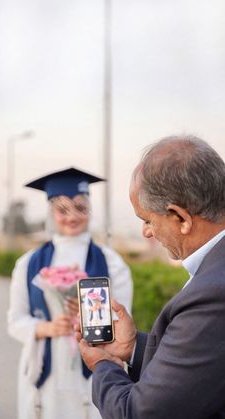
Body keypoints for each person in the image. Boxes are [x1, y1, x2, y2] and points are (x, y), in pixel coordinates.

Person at [76, 135, 225, 419]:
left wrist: (103, 365)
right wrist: (133, 348)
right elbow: (202, 363)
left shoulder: (213, 293)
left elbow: (141, 413)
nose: (146, 232)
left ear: (180, 218)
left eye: (147, 220)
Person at [7, 167, 133, 419]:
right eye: (62, 209)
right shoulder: (28, 263)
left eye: (80, 207)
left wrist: (88, 316)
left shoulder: (112, 263)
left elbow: (123, 320)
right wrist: (48, 328)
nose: (72, 216)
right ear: (51, 213)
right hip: (46, 367)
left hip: (93, 364)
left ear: (90, 210)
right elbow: (15, 320)